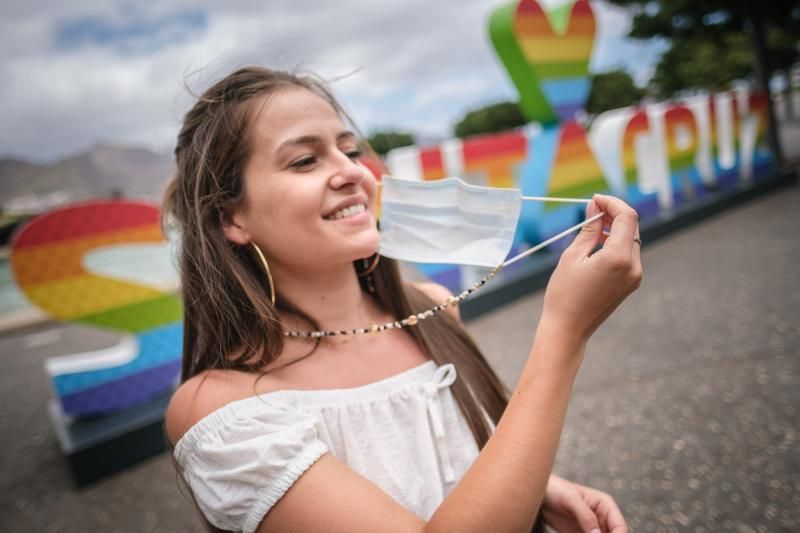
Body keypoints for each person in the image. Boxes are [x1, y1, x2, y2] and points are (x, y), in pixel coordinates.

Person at [163, 66, 641, 533]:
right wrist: (564, 334)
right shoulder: (220, 407)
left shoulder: (432, 307)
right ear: (231, 218)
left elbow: (453, 465)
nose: (351, 172)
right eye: (305, 160)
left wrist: (538, 487)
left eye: (349, 151)